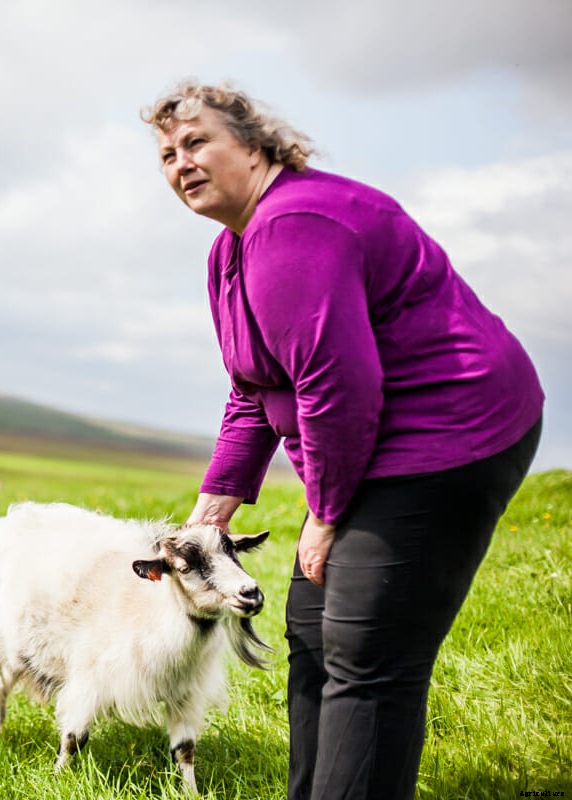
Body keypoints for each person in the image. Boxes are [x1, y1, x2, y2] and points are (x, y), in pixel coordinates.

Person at [142, 79, 544, 799]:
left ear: (257, 144)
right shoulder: (228, 254)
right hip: (372, 443)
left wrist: (325, 517)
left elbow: (338, 388)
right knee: (312, 626)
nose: (181, 163)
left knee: (368, 656)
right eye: (168, 153)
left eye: (198, 141)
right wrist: (212, 509)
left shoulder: (298, 224)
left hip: (448, 436)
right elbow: (255, 387)